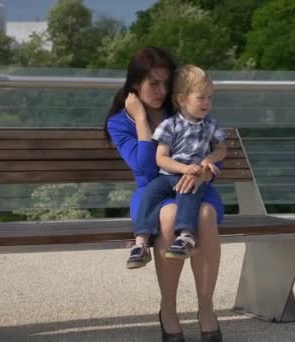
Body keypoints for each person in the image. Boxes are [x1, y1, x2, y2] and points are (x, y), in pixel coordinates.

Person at [105, 47, 223, 342]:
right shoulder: (120, 122)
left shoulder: (179, 107)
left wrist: (206, 172)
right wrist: (142, 121)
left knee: (206, 215)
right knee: (169, 217)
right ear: (135, 84)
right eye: (153, 84)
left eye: (165, 83)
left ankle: (206, 308)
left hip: (196, 187)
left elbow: (211, 149)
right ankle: (168, 310)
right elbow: (145, 170)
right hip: (153, 194)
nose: (161, 91)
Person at [129, 64, 227, 268]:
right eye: (201, 97)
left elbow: (222, 149)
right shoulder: (170, 125)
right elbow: (161, 158)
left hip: (192, 178)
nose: (207, 103)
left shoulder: (210, 125)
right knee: (150, 195)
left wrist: (209, 159)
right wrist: (183, 168)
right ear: (182, 99)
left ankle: (185, 237)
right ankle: (141, 243)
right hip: (169, 174)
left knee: (188, 190)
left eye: (210, 97)